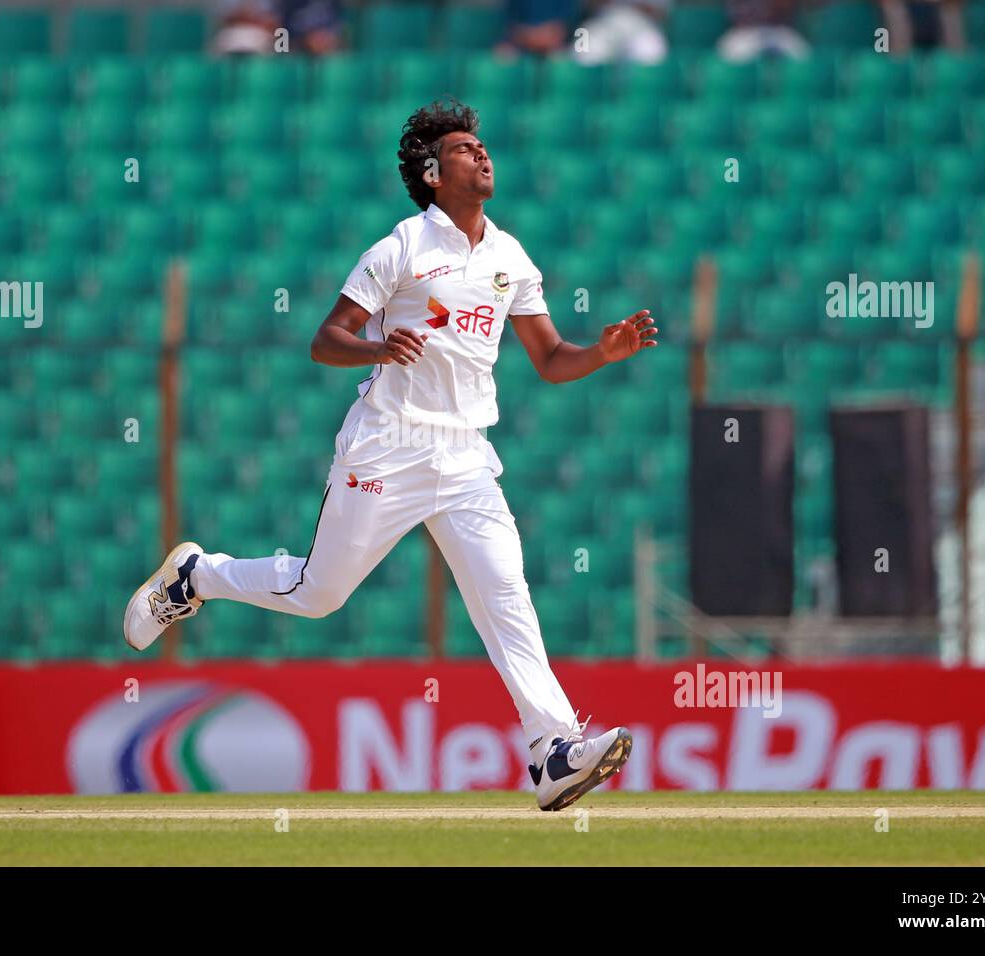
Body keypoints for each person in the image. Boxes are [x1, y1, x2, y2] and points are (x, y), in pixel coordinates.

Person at [123, 100, 656, 812]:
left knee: (506, 595)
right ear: (433, 174)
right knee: (320, 595)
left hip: (466, 455)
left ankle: (553, 749)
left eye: (483, 144)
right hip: (389, 446)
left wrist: (604, 352)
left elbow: (552, 359)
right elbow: (325, 338)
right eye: (466, 149)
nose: (483, 154)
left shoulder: (509, 256)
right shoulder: (401, 247)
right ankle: (200, 576)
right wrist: (380, 346)